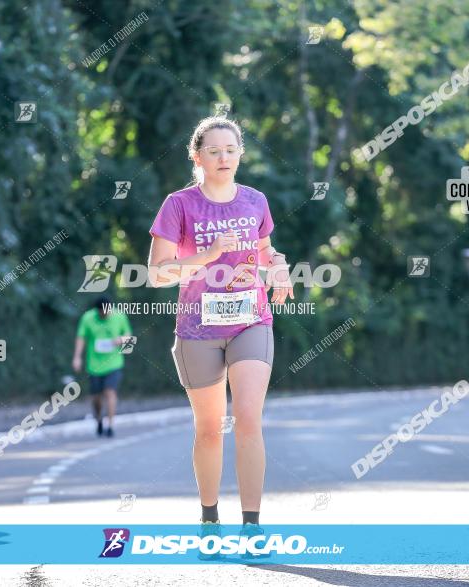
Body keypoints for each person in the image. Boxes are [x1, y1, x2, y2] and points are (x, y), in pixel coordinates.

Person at [147, 116, 293, 551]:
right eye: (214, 150)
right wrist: (209, 254)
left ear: (240, 154)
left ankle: (252, 525)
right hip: (197, 327)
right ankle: (210, 517)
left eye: (230, 149)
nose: (223, 157)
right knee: (210, 428)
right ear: (198, 156)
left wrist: (280, 267)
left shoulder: (255, 201)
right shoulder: (179, 204)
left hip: (252, 319)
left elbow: (266, 250)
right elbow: (157, 274)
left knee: (248, 419)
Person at [72, 296, 132, 437]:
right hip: (94, 365)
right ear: (97, 311)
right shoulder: (88, 318)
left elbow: (129, 335)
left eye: (108, 312)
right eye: (103, 313)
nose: (106, 314)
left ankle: (110, 426)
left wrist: (121, 340)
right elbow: (81, 337)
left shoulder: (119, 316)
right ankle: (99, 420)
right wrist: (77, 357)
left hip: (114, 363)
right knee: (96, 398)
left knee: (110, 392)